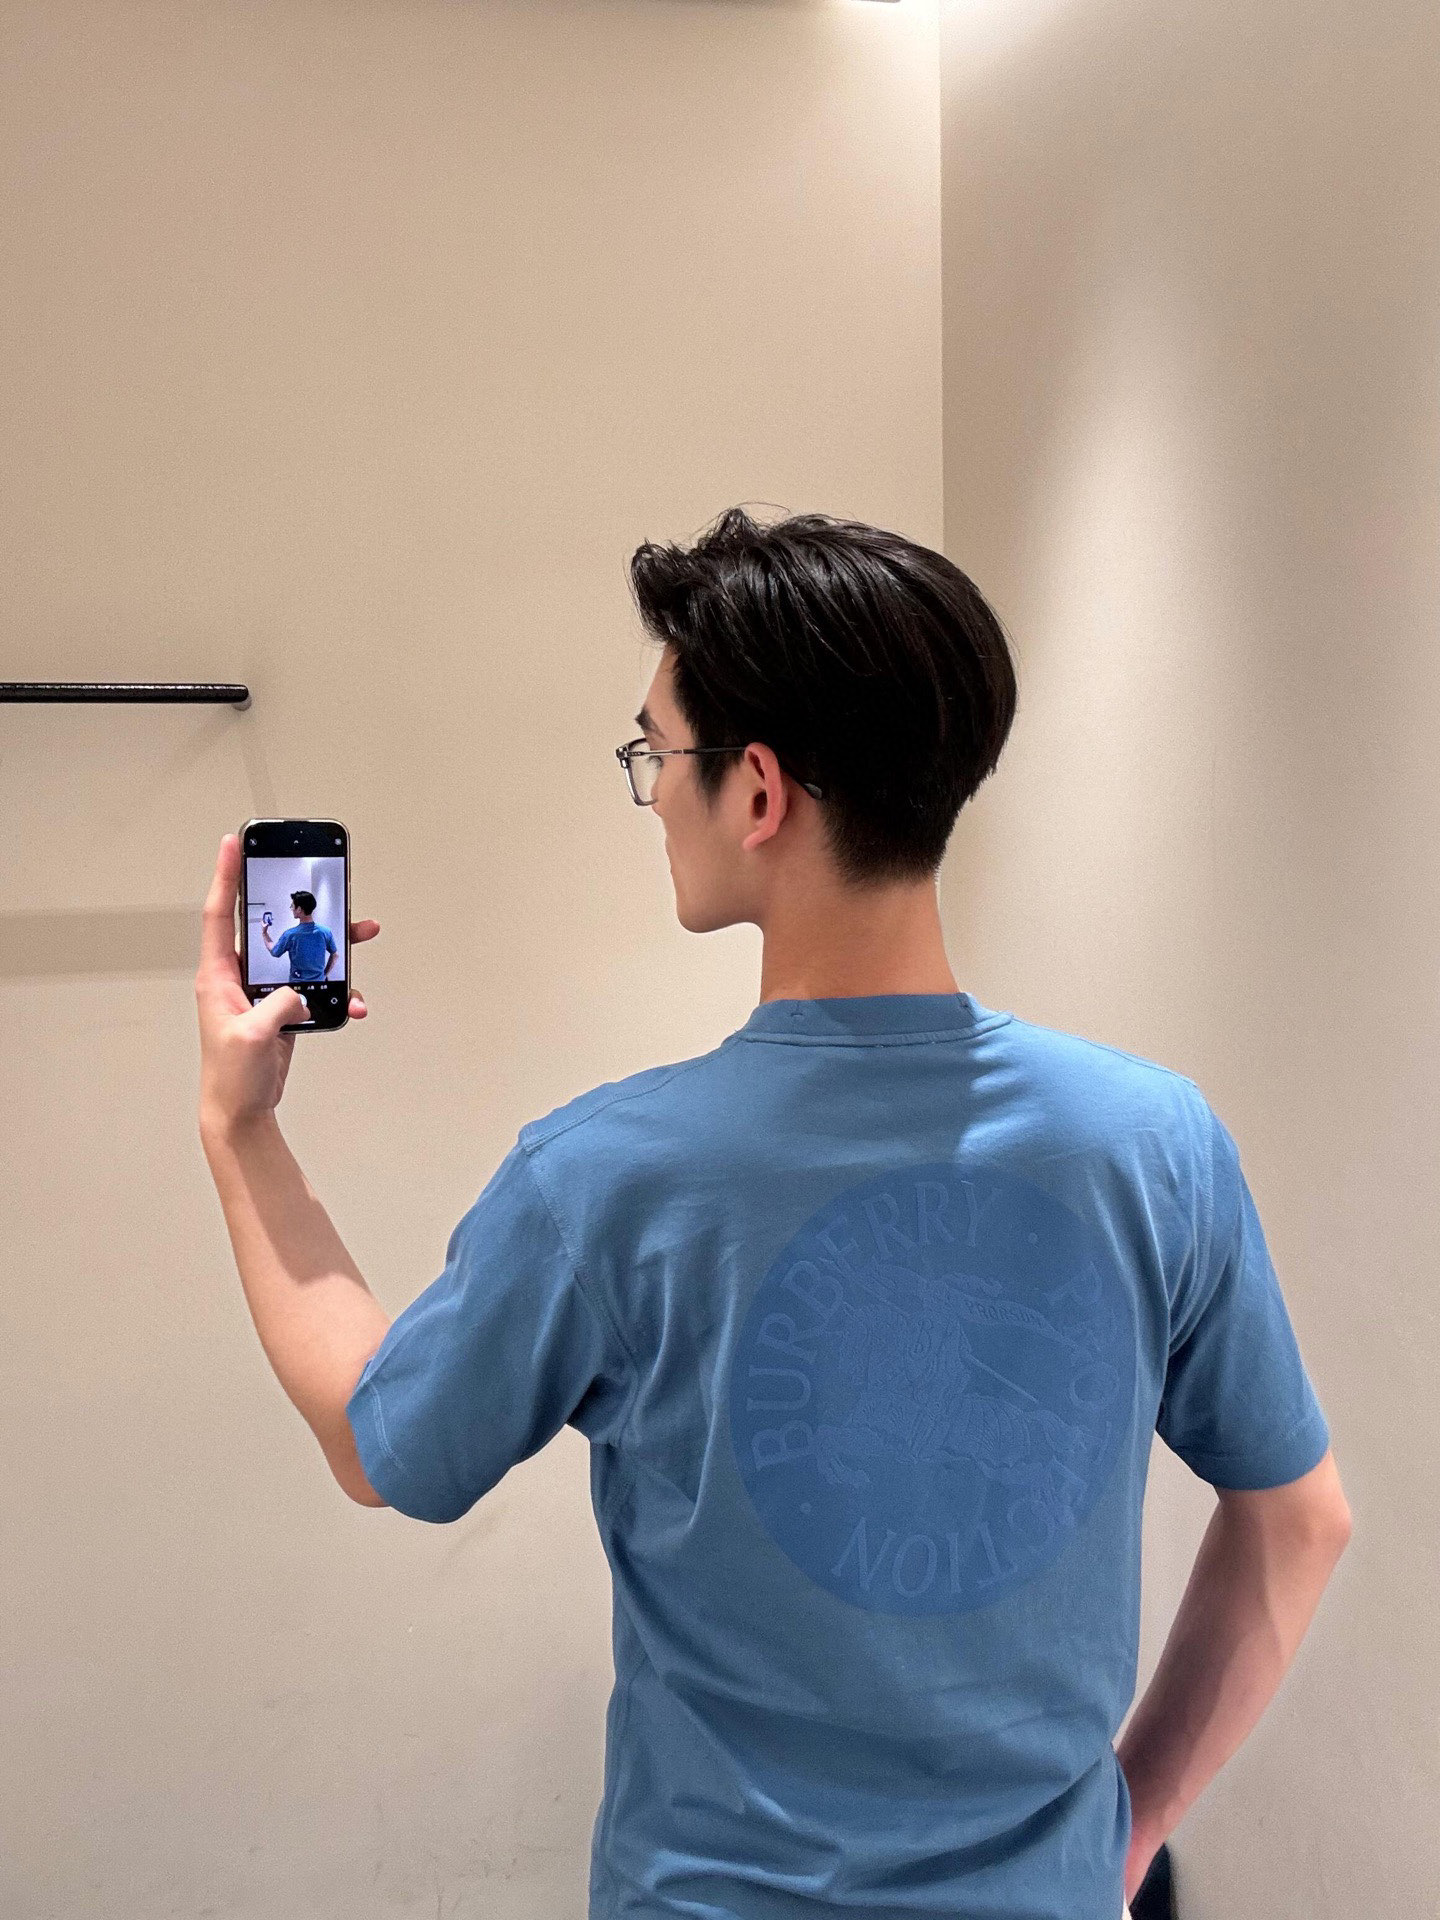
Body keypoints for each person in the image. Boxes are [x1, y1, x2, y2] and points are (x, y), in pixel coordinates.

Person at [194, 505, 1352, 1920]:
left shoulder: (607, 1176)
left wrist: (241, 1130)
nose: (651, 797)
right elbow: (1300, 1523)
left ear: (756, 792)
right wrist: (1128, 1831)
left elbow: (382, 1444)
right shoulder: (1156, 1144)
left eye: (657, 755)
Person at [262, 889, 337, 984]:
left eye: (292, 906)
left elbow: (274, 952)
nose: (291, 909)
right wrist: (324, 974)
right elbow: (335, 955)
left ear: (299, 909)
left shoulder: (290, 934)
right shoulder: (325, 932)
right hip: (319, 985)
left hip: (297, 985)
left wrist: (264, 933)